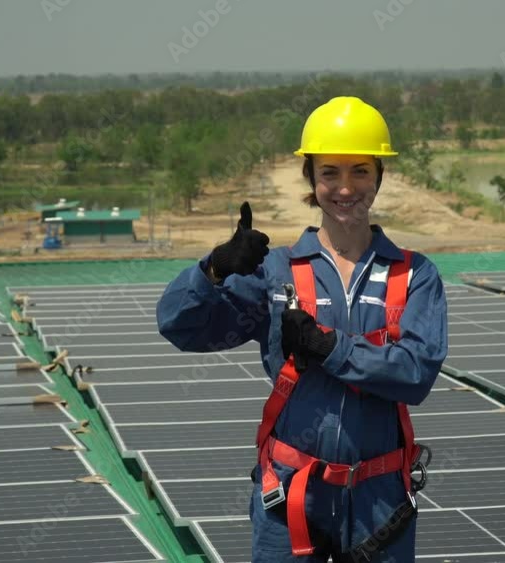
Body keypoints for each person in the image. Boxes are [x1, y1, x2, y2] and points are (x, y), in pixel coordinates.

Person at [156, 96, 449, 561]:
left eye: (360, 171)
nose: (345, 188)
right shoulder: (276, 273)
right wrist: (212, 269)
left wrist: (329, 348)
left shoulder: (414, 276)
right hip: (291, 493)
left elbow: (415, 374)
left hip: (379, 499)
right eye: (330, 172)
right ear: (311, 178)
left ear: (379, 176)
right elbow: (179, 326)